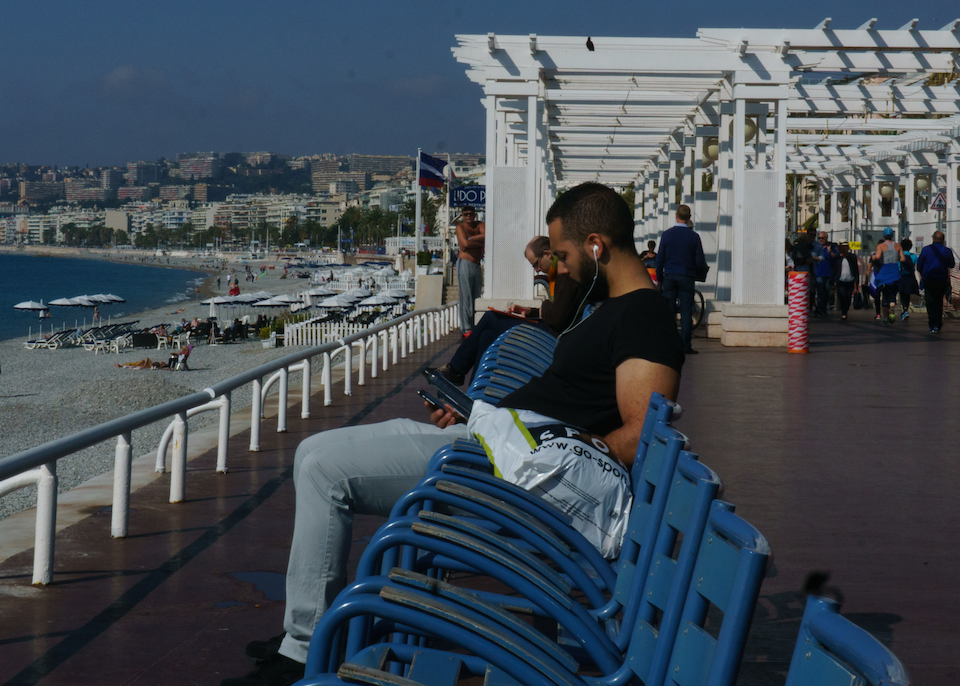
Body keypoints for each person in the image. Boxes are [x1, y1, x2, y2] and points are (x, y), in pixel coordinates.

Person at [226, 182, 684, 686]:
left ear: (597, 246)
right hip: (489, 450)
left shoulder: (643, 316)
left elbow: (642, 433)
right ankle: (309, 636)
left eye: (566, 254)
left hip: (498, 476)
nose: (561, 267)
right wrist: (479, 416)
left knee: (320, 464)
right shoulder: (612, 308)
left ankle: (304, 650)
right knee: (317, 456)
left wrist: (529, 446)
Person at [433, 237, 589, 385]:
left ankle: (455, 370)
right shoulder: (556, 275)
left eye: (536, 264)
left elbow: (556, 318)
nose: (537, 270)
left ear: (547, 254)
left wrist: (545, 305)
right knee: (487, 336)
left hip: (552, 335)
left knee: (490, 317)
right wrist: (532, 311)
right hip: (550, 329)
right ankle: (474, 391)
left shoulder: (564, 276)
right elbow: (558, 310)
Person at [653, 203, 707, 355]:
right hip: (686, 277)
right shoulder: (694, 237)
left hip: (669, 276)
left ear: (676, 216)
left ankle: (669, 343)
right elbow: (699, 261)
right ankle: (685, 345)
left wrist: (659, 278)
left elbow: (660, 259)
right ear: (689, 218)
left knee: (669, 312)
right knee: (686, 312)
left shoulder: (667, 235)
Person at [916, 231, 956, 334]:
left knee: (930, 302)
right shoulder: (947, 251)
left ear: (933, 238)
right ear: (943, 240)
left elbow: (919, 265)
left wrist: (922, 274)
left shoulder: (926, 250)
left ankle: (932, 324)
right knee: (939, 302)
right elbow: (951, 265)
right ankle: (938, 323)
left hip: (929, 279)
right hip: (942, 279)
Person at [454, 206, 485, 333]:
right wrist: (479, 242)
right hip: (465, 264)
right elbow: (464, 244)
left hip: (477, 265)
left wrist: (470, 239)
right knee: (465, 297)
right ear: (462, 215)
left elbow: (486, 235)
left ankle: (473, 325)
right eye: (466, 214)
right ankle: (466, 328)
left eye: (471, 214)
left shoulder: (480, 225)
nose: (468, 216)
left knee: (476, 296)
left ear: (475, 214)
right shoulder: (460, 227)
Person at [871, 228, 903, 323]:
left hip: (885, 270)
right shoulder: (898, 245)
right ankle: (892, 306)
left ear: (884, 235)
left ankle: (885, 317)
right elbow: (903, 259)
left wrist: (873, 257)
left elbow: (877, 257)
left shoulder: (881, 246)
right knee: (892, 293)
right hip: (894, 270)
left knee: (884, 294)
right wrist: (896, 257)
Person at [834, 243, 859, 320]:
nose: (844, 249)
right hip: (840, 280)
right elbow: (834, 269)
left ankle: (846, 310)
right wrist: (834, 280)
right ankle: (843, 313)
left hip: (850, 280)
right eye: (843, 247)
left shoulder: (852, 257)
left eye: (846, 247)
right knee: (843, 295)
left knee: (848, 297)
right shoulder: (837, 257)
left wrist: (857, 283)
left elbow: (855, 270)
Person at [897, 238, 920, 321]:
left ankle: (904, 309)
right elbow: (917, 268)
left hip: (901, 277)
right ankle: (905, 309)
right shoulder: (913, 256)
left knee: (902, 294)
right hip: (910, 277)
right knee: (907, 294)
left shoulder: (899, 256)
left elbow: (897, 267)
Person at [812, 232, 834, 315]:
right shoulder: (817, 247)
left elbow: (835, 258)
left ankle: (824, 307)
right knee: (820, 292)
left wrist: (830, 251)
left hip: (828, 273)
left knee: (827, 291)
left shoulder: (830, 247)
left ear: (826, 238)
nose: (821, 240)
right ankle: (820, 308)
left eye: (822, 238)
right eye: (819, 238)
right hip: (819, 273)